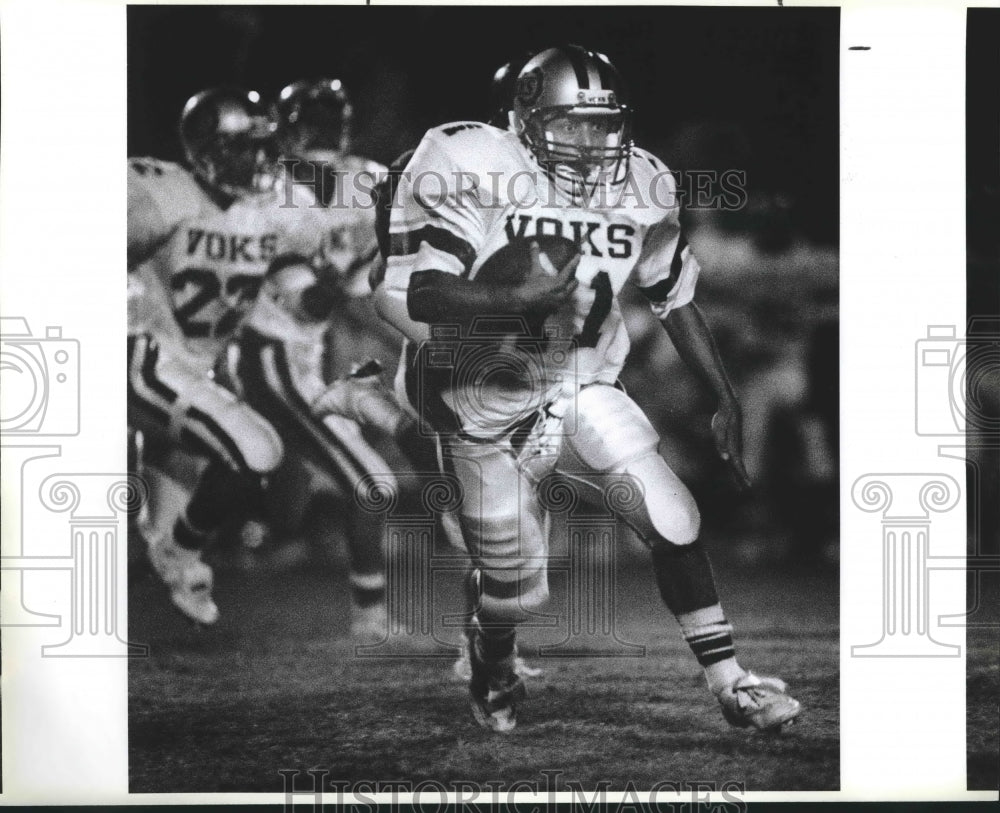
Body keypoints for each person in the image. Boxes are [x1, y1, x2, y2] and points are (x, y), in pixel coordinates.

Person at [373, 45, 802, 733]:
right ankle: (492, 660)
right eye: (569, 124)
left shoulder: (644, 182)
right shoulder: (472, 160)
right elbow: (419, 290)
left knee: (672, 517)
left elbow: (672, 292)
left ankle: (732, 684)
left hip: (581, 376)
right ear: (523, 118)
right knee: (515, 584)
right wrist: (512, 295)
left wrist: (723, 394)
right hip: (482, 388)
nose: (588, 141)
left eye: (601, 125)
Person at [128, 86, 395, 636]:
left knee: (257, 477)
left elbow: (302, 293)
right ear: (206, 150)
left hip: (203, 367)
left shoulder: (271, 214)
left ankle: (178, 560)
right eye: (241, 149)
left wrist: (346, 271)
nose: (255, 161)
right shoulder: (166, 193)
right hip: (147, 352)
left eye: (261, 147)